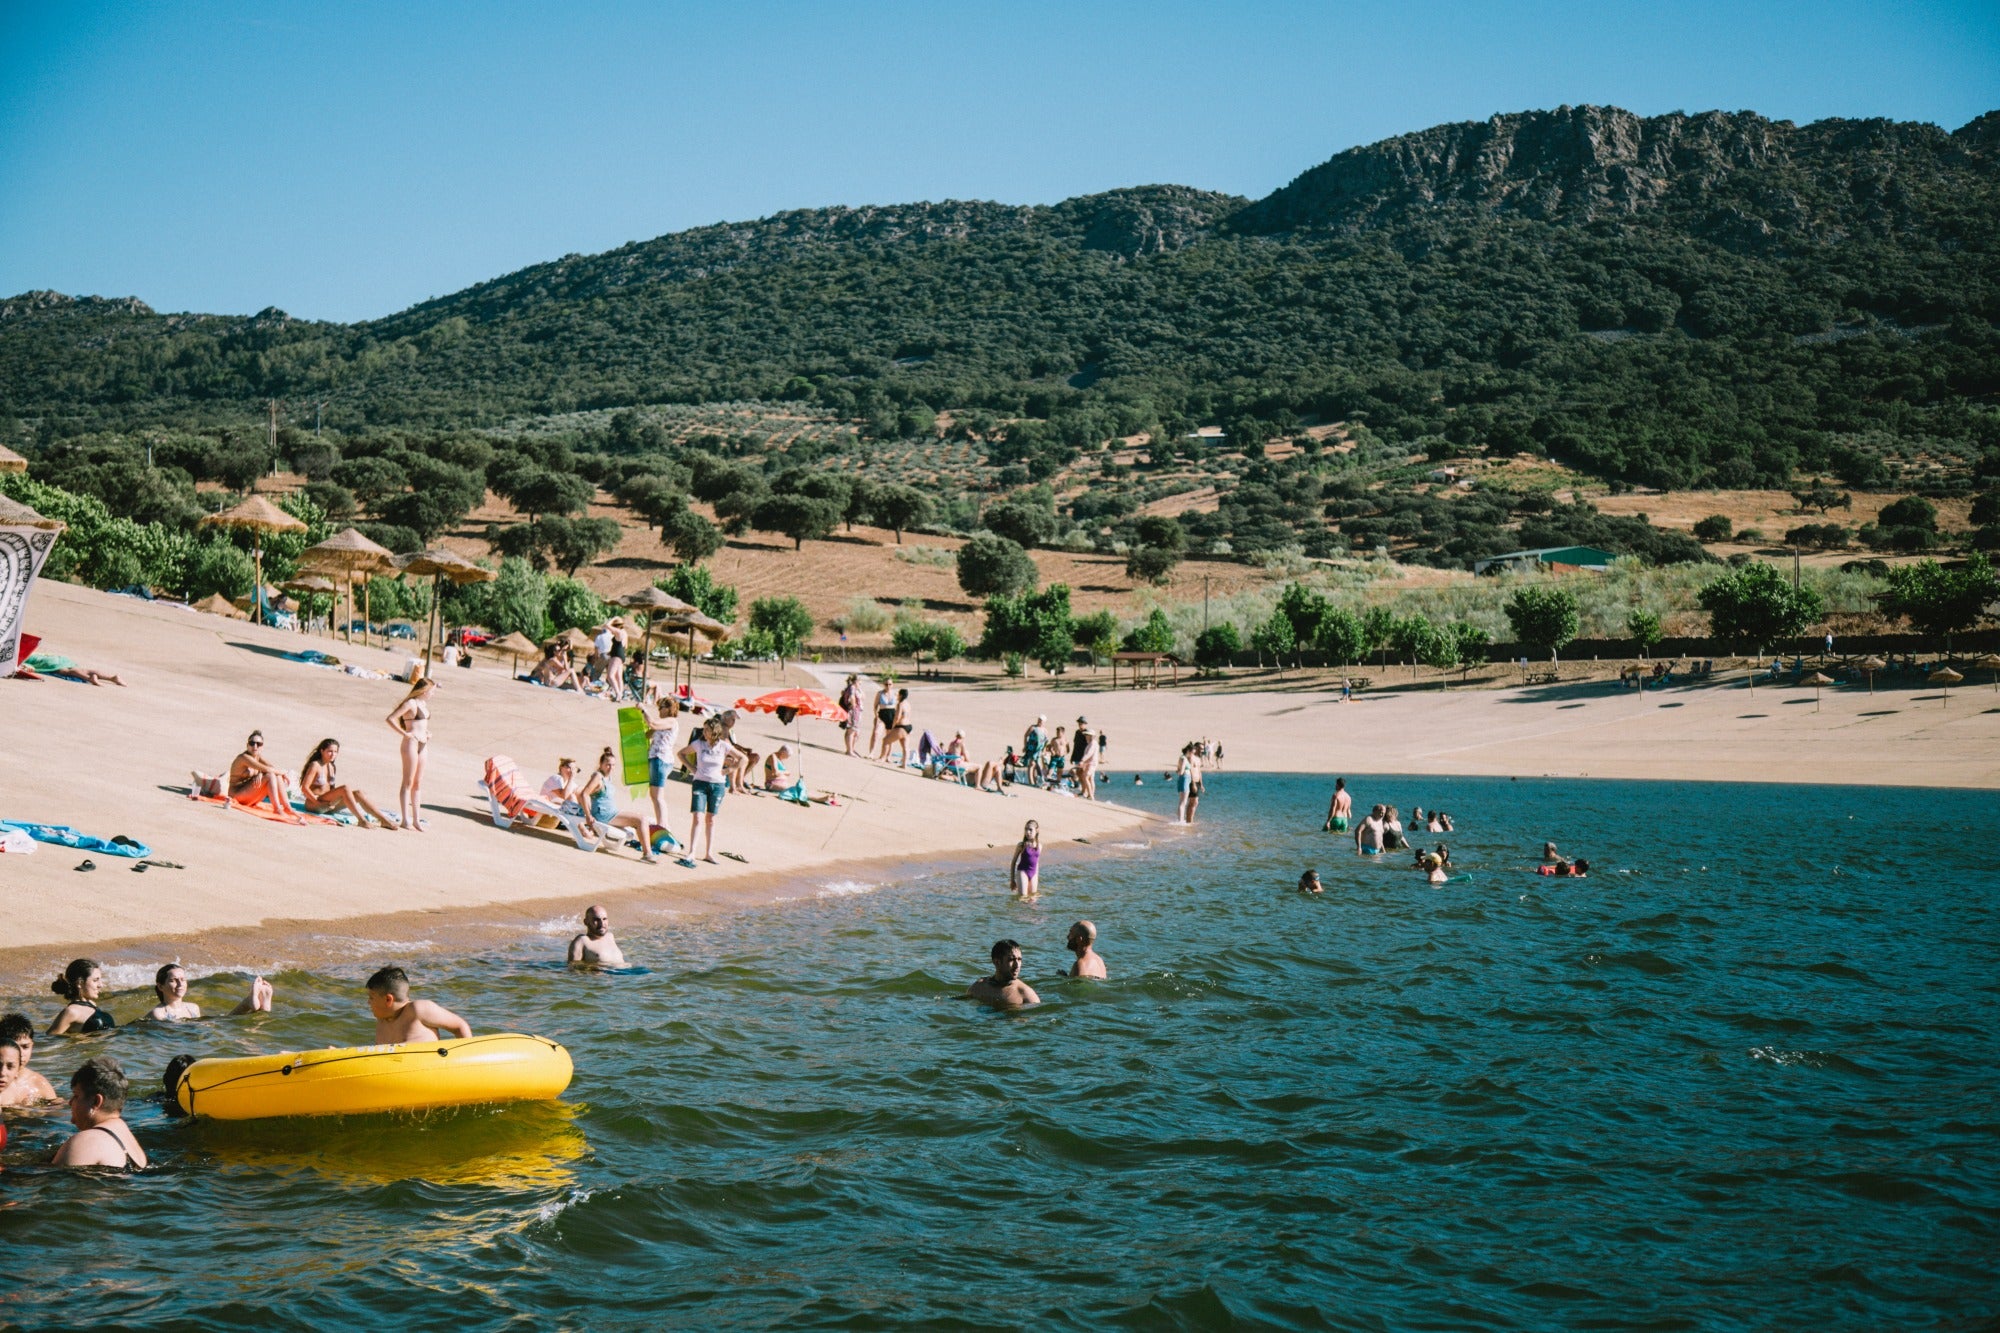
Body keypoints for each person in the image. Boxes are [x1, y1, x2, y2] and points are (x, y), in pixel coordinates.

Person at [50, 1057, 147, 1171]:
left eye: (76, 1096)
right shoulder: (129, 1140)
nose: (70, 1102)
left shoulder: (86, 1141)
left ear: (96, 1101)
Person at [577, 747, 659, 863]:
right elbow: (584, 794)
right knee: (641, 819)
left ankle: (647, 852)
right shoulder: (598, 777)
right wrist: (588, 815)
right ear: (601, 764)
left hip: (611, 812)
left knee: (642, 818)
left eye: (613, 765)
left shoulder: (607, 777)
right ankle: (647, 854)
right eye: (608, 764)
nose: (611, 768)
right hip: (604, 814)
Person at [679, 717, 739, 863]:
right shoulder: (699, 744)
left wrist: (728, 770)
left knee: (711, 819)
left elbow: (742, 758)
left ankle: (708, 853)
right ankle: (692, 852)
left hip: (717, 785)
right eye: (704, 729)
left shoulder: (723, 746)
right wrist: (692, 768)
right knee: (697, 817)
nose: (704, 732)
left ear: (715, 731)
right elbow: (681, 754)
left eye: (707, 729)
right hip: (700, 782)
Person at [300, 737, 396, 828]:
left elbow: (331, 789)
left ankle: (384, 820)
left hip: (328, 805)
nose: (333, 754)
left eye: (335, 752)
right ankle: (361, 820)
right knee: (345, 788)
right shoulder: (315, 765)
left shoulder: (332, 767)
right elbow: (304, 788)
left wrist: (338, 800)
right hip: (314, 803)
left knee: (359, 793)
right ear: (322, 751)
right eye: (330, 751)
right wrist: (317, 803)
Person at [366, 966, 471, 1043]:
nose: (368, 1002)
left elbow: (460, 1026)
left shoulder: (418, 1010)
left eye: (371, 997)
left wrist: (468, 1060)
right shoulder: (382, 1021)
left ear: (388, 999)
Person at [385, 676, 437, 832]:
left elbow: (421, 724)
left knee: (418, 783)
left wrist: (427, 732)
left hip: (423, 743)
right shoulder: (411, 704)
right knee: (407, 782)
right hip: (411, 743)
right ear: (424, 690)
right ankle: (405, 819)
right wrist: (404, 733)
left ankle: (416, 819)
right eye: (431, 691)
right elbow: (391, 718)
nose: (432, 694)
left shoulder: (423, 704)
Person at [142, 964, 274, 1022]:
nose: (180, 984)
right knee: (221, 1022)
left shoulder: (192, 1008)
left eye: (183, 979)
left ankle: (262, 1007)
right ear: (160, 986)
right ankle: (247, 1003)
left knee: (224, 1021)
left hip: (192, 1032)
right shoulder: (158, 1013)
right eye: (174, 980)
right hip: (185, 1037)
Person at [225, 729, 296, 816]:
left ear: (262, 747)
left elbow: (271, 768)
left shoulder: (258, 757)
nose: (255, 746)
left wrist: (260, 773)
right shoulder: (244, 758)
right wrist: (283, 773)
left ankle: (287, 807)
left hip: (249, 795)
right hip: (236, 795)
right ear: (247, 745)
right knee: (270, 776)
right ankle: (277, 808)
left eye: (258, 744)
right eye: (252, 743)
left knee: (276, 776)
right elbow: (268, 770)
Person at [0, 1014, 58, 1104]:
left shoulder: (38, 1083)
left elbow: (56, 1111)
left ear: (32, 1045)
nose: (21, 1053)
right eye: (15, 1047)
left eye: (25, 1047)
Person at [48, 958, 115, 1035]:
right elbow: (49, 1039)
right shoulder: (72, 1011)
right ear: (79, 983)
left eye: (100, 980)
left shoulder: (92, 1004)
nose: (101, 985)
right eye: (95, 980)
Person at [966, 940, 1040, 1008]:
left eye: (1019, 959)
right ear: (997, 962)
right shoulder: (979, 987)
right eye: (1011, 960)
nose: (1017, 965)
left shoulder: (1026, 994)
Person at [645, 696, 682, 829]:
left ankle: (663, 824)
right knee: (654, 794)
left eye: (661, 707)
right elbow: (648, 733)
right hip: (655, 758)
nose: (659, 710)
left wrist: (644, 710)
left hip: (661, 759)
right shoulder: (662, 723)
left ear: (667, 709)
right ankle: (662, 822)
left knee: (658, 795)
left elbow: (652, 724)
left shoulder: (671, 721)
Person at [879, 688, 913, 767]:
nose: (897, 695)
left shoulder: (900, 704)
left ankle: (882, 758)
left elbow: (897, 717)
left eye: (898, 694)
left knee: (886, 740)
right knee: (905, 746)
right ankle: (904, 764)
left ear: (901, 695)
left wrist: (893, 727)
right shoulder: (908, 704)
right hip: (908, 726)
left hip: (901, 726)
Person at [1010, 820, 1041, 898]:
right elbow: (1013, 862)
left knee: (1033, 899)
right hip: (1022, 872)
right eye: (1026, 829)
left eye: (1030, 830)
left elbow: (1036, 862)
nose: (1028, 832)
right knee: (1023, 897)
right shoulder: (1021, 845)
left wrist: (1036, 876)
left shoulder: (1039, 846)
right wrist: (1012, 880)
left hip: (1033, 874)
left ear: (1037, 830)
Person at [1176, 742, 1203, 825]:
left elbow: (1199, 771)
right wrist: (1193, 783)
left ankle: (1190, 820)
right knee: (1192, 801)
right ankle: (1188, 821)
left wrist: (1201, 784)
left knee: (1194, 802)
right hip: (1191, 781)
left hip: (1197, 781)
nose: (1201, 750)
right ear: (1195, 748)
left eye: (1202, 748)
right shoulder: (1190, 758)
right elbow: (1189, 770)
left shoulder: (1199, 759)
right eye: (1199, 748)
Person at [870, 676, 898, 755]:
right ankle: (871, 753)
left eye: (890, 684)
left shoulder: (895, 694)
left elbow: (899, 706)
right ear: (883, 684)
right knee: (876, 733)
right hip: (882, 714)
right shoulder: (880, 693)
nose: (888, 686)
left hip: (892, 715)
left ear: (892, 685)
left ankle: (887, 756)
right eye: (886, 684)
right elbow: (875, 706)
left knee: (889, 737)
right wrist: (876, 716)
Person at [839, 675, 862, 756]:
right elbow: (852, 697)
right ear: (856, 681)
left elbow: (863, 696)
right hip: (853, 711)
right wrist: (854, 705)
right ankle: (849, 750)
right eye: (859, 682)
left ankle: (850, 748)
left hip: (855, 711)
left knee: (854, 731)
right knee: (851, 731)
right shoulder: (852, 687)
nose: (860, 684)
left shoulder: (851, 688)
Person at [1021, 716, 1047, 785]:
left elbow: (1045, 741)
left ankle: (1035, 781)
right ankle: (1031, 781)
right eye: (1039, 720)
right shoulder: (1033, 727)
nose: (1039, 721)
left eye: (1041, 721)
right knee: (1031, 764)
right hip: (1031, 748)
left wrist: (1044, 750)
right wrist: (1025, 745)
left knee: (1036, 765)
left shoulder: (1045, 730)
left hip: (1039, 750)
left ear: (1044, 722)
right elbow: (1026, 735)